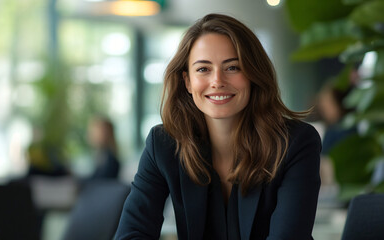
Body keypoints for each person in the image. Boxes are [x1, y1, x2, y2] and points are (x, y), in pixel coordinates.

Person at [115, 13, 321, 240]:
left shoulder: (295, 143)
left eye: (233, 67)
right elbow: (130, 234)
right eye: (203, 69)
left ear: (253, 74)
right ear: (187, 82)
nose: (217, 81)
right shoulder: (163, 144)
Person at [86, 116, 120, 180]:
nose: (89, 135)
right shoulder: (102, 157)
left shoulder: (109, 160)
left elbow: (98, 182)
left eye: (93, 132)